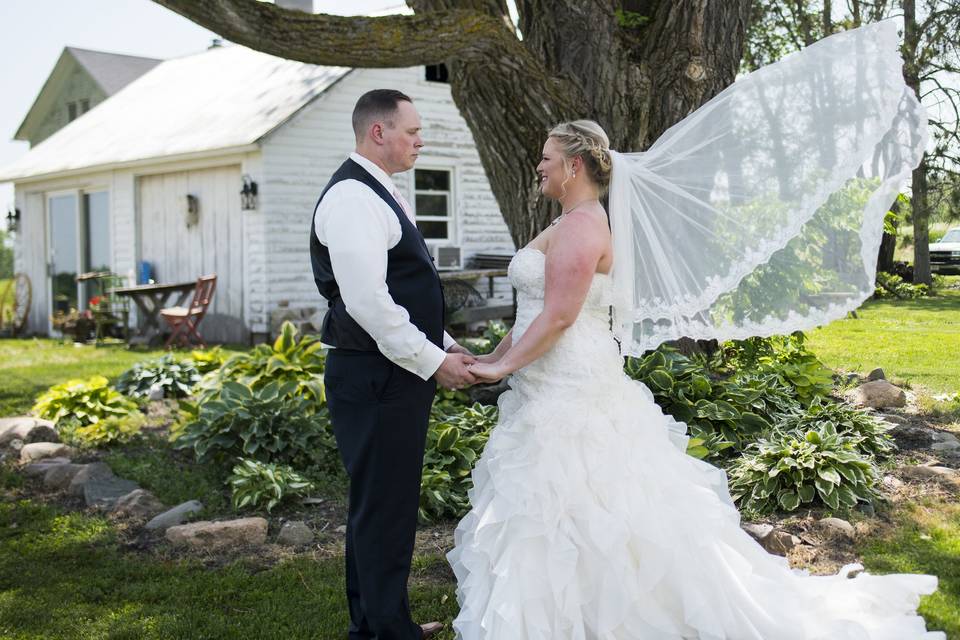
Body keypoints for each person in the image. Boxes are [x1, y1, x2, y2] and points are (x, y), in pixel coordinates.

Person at [446, 20, 944, 639]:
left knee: (576, 505)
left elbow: (560, 315)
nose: (537, 167)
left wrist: (498, 367)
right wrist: (493, 354)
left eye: (546, 159)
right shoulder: (572, 219)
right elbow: (534, 311)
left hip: (571, 389)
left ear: (574, 165)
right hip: (552, 383)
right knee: (564, 510)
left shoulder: (580, 228)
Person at [311, 88, 475, 640]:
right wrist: (434, 362)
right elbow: (369, 304)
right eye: (412, 131)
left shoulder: (380, 192)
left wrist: (444, 342)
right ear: (378, 132)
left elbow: (402, 291)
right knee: (384, 506)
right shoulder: (354, 198)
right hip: (375, 374)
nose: (420, 140)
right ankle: (386, 631)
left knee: (383, 503)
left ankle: (377, 625)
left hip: (389, 370)